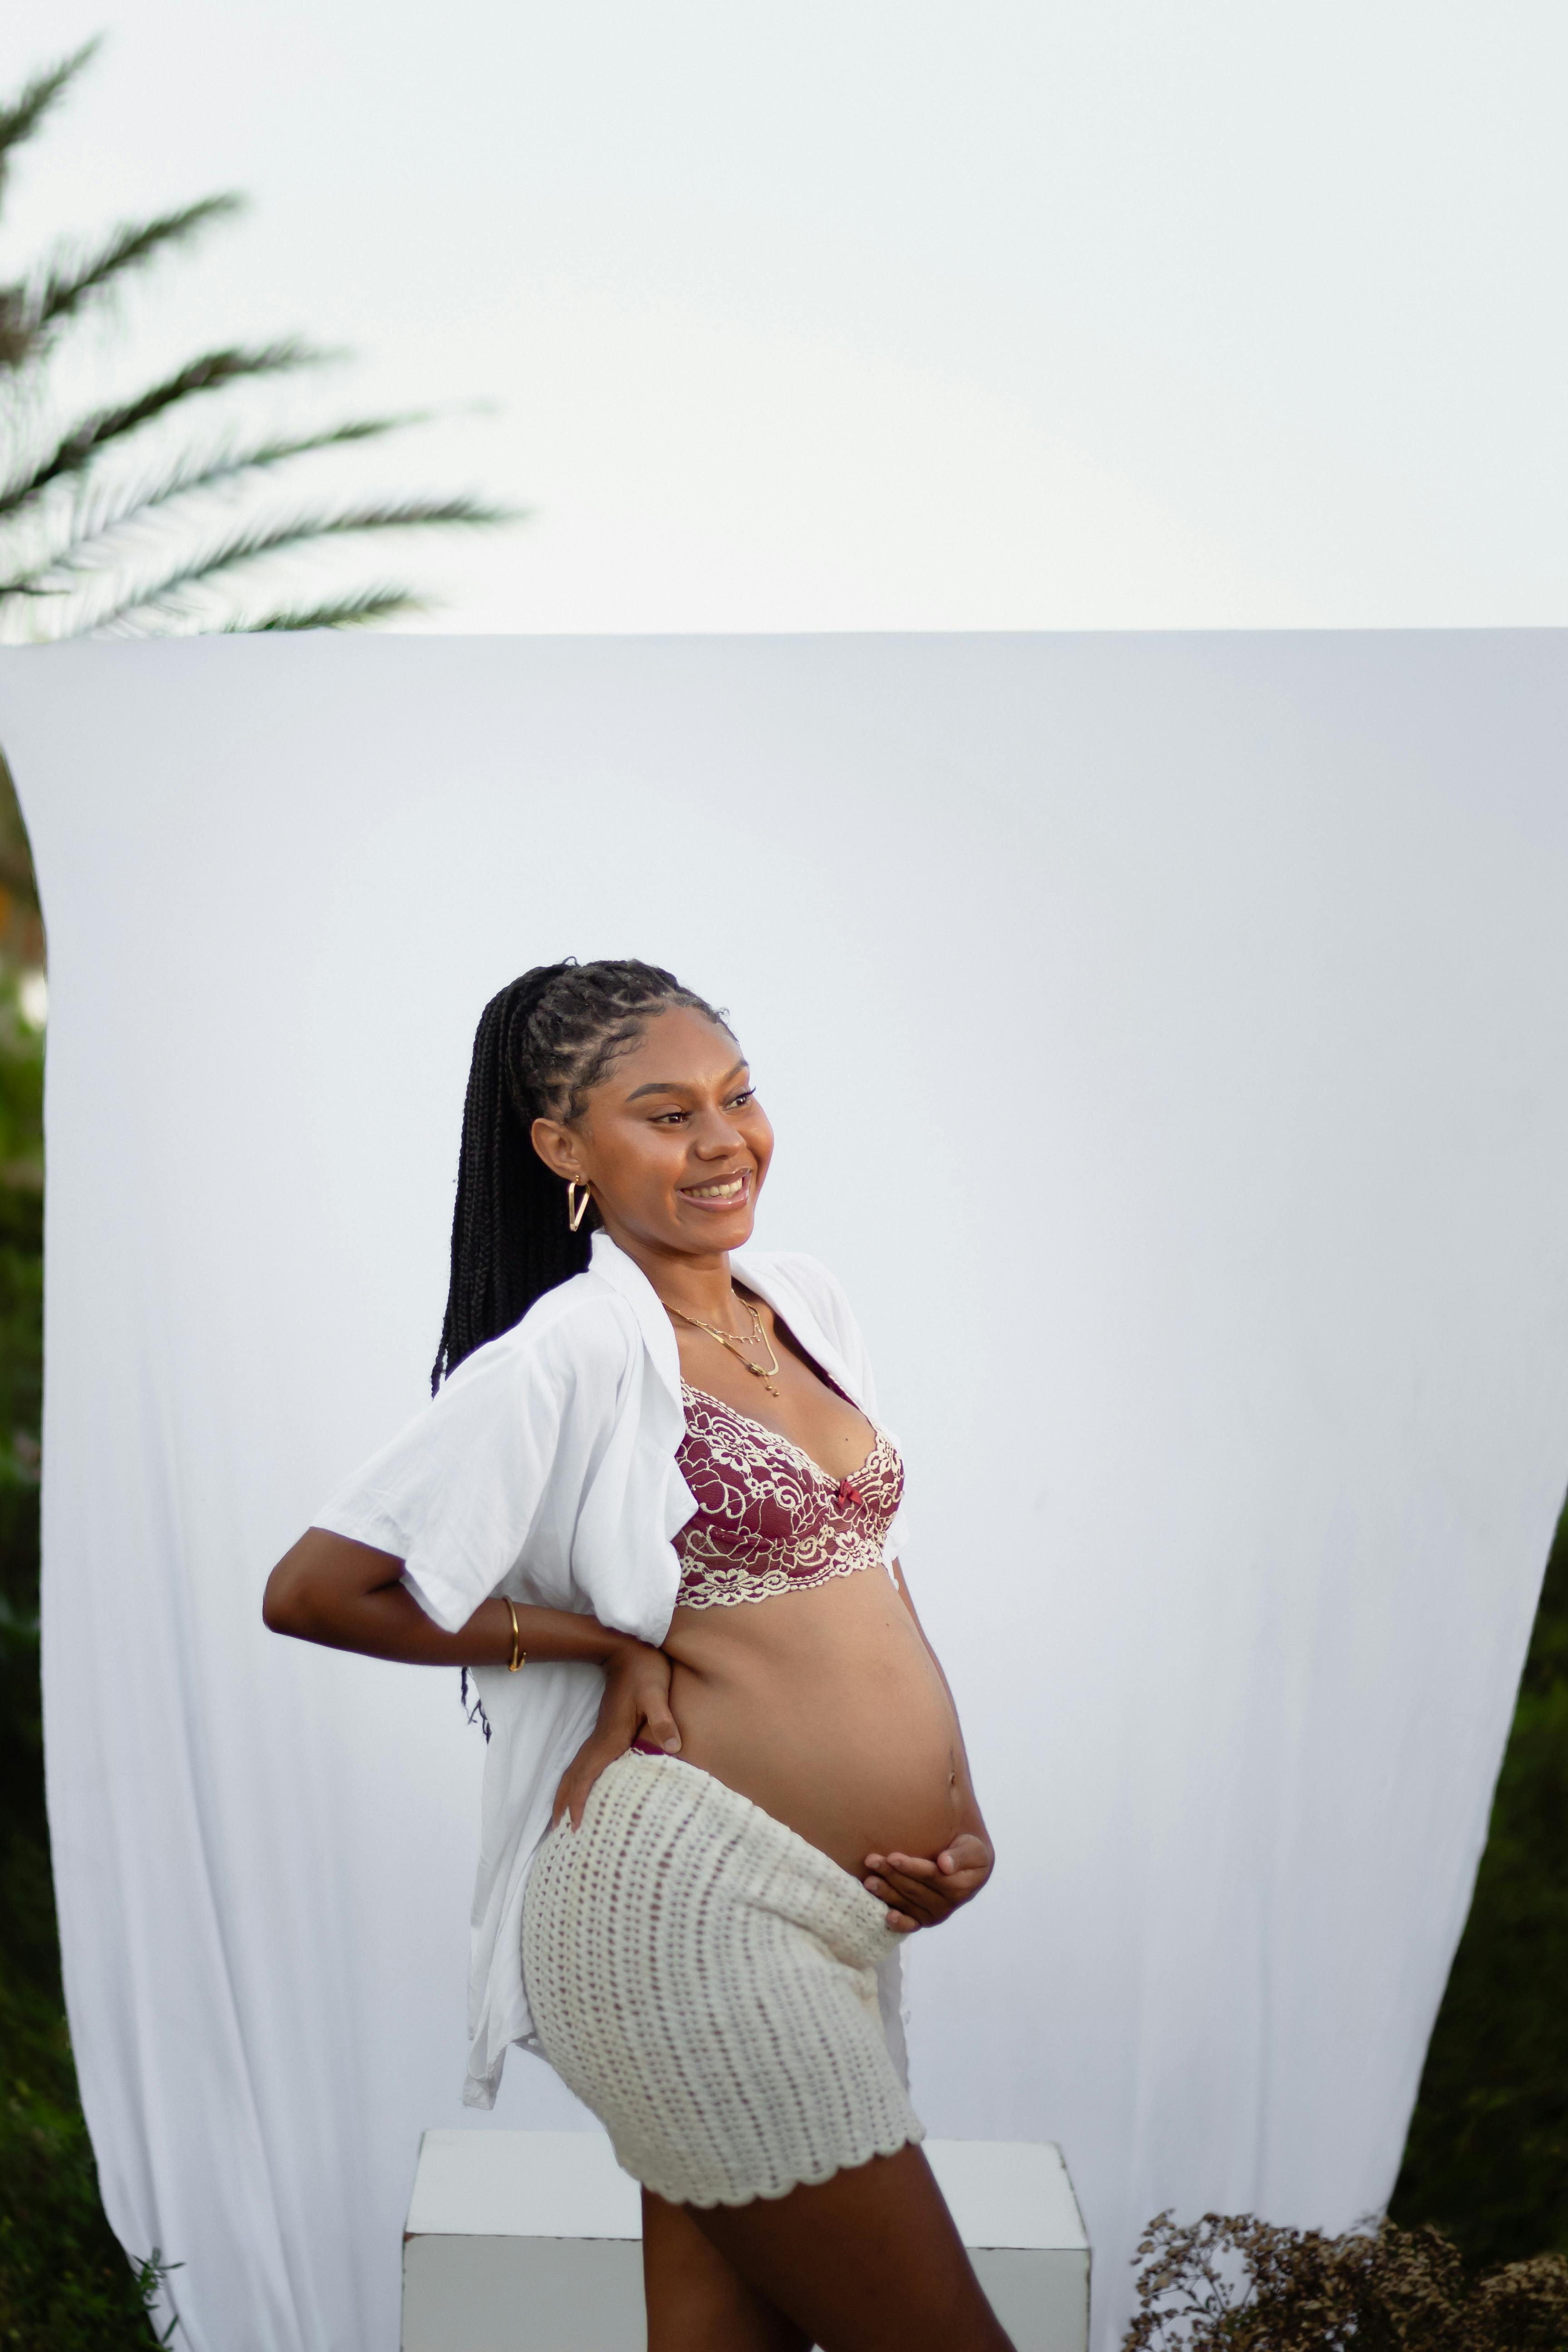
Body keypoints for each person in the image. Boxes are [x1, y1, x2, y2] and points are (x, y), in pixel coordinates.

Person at [264, 958, 1008, 2352]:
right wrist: (601, 1644)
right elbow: (316, 1588)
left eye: (739, 1096)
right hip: (690, 1915)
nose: (724, 1141)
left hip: (836, 1923)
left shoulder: (802, 1300)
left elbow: (874, 1586)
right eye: (668, 1116)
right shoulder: (575, 1348)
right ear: (565, 1150)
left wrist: (960, 1818)